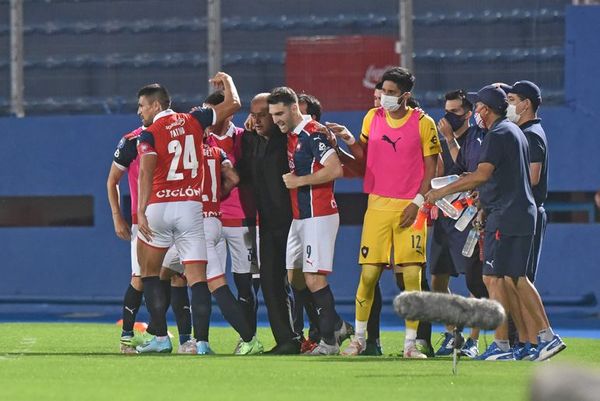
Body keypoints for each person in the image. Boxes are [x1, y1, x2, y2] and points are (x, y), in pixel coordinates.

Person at [425, 84, 566, 361]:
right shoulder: (512, 131)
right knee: (511, 277)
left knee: (504, 278)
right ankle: (530, 341)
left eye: (477, 107)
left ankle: (523, 342)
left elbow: (481, 174)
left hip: (507, 214)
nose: (475, 111)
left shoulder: (499, 133)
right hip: (513, 212)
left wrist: (440, 192)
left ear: (485, 110)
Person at [134, 75, 260, 355]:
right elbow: (236, 103)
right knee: (199, 279)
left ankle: (161, 337)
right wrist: (227, 80)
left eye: (142, 106)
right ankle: (201, 344)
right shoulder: (196, 121)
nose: (139, 111)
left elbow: (146, 170)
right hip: (193, 209)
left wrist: (141, 209)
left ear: (155, 106)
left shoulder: (149, 133)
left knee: (150, 273)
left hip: (160, 205)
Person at [341, 66, 440, 358]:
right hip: (377, 206)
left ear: (406, 95)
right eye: (383, 91)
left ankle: (411, 344)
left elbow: (432, 168)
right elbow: (364, 156)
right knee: (368, 275)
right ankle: (359, 340)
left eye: (391, 93)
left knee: (411, 277)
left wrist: (417, 203)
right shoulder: (372, 118)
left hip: (410, 207)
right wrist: (346, 142)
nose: (384, 97)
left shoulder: (424, 123)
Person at [267, 86, 346, 355]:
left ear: (293, 109)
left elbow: (335, 169)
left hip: (319, 214)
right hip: (300, 217)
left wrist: (299, 181)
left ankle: (329, 342)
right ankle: (335, 324)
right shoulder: (291, 135)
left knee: (313, 278)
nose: (275, 119)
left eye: (279, 113)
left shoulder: (313, 133)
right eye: (272, 114)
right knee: (296, 278)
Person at [161, 143, 242, 355]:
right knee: (182, 277)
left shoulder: (183, 151)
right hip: (215, 221)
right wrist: (217, 195)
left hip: (196, 224)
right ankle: (193, 341)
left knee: (159, 274)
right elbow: (234, 178)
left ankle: (247, 338)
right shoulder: (217, 151)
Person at [239, 93, 301, 354]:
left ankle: (323, 333)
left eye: (264, 114)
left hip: (294, 221)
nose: (258, 120)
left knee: (303, 282)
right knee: (270, 281)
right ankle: (287, 340)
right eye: (254, 115)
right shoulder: (251, 141)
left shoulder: (288, 140)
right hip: (266, 223)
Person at [203, 91, 260, 341]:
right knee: (206, 282)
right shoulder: (199, 141)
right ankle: (199, 338)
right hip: (211, 220)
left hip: (244, 221)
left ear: (229, 113)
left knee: (246, 284)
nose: (208, 116)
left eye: (213, 111)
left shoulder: (245, 138)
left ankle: (246, 339)